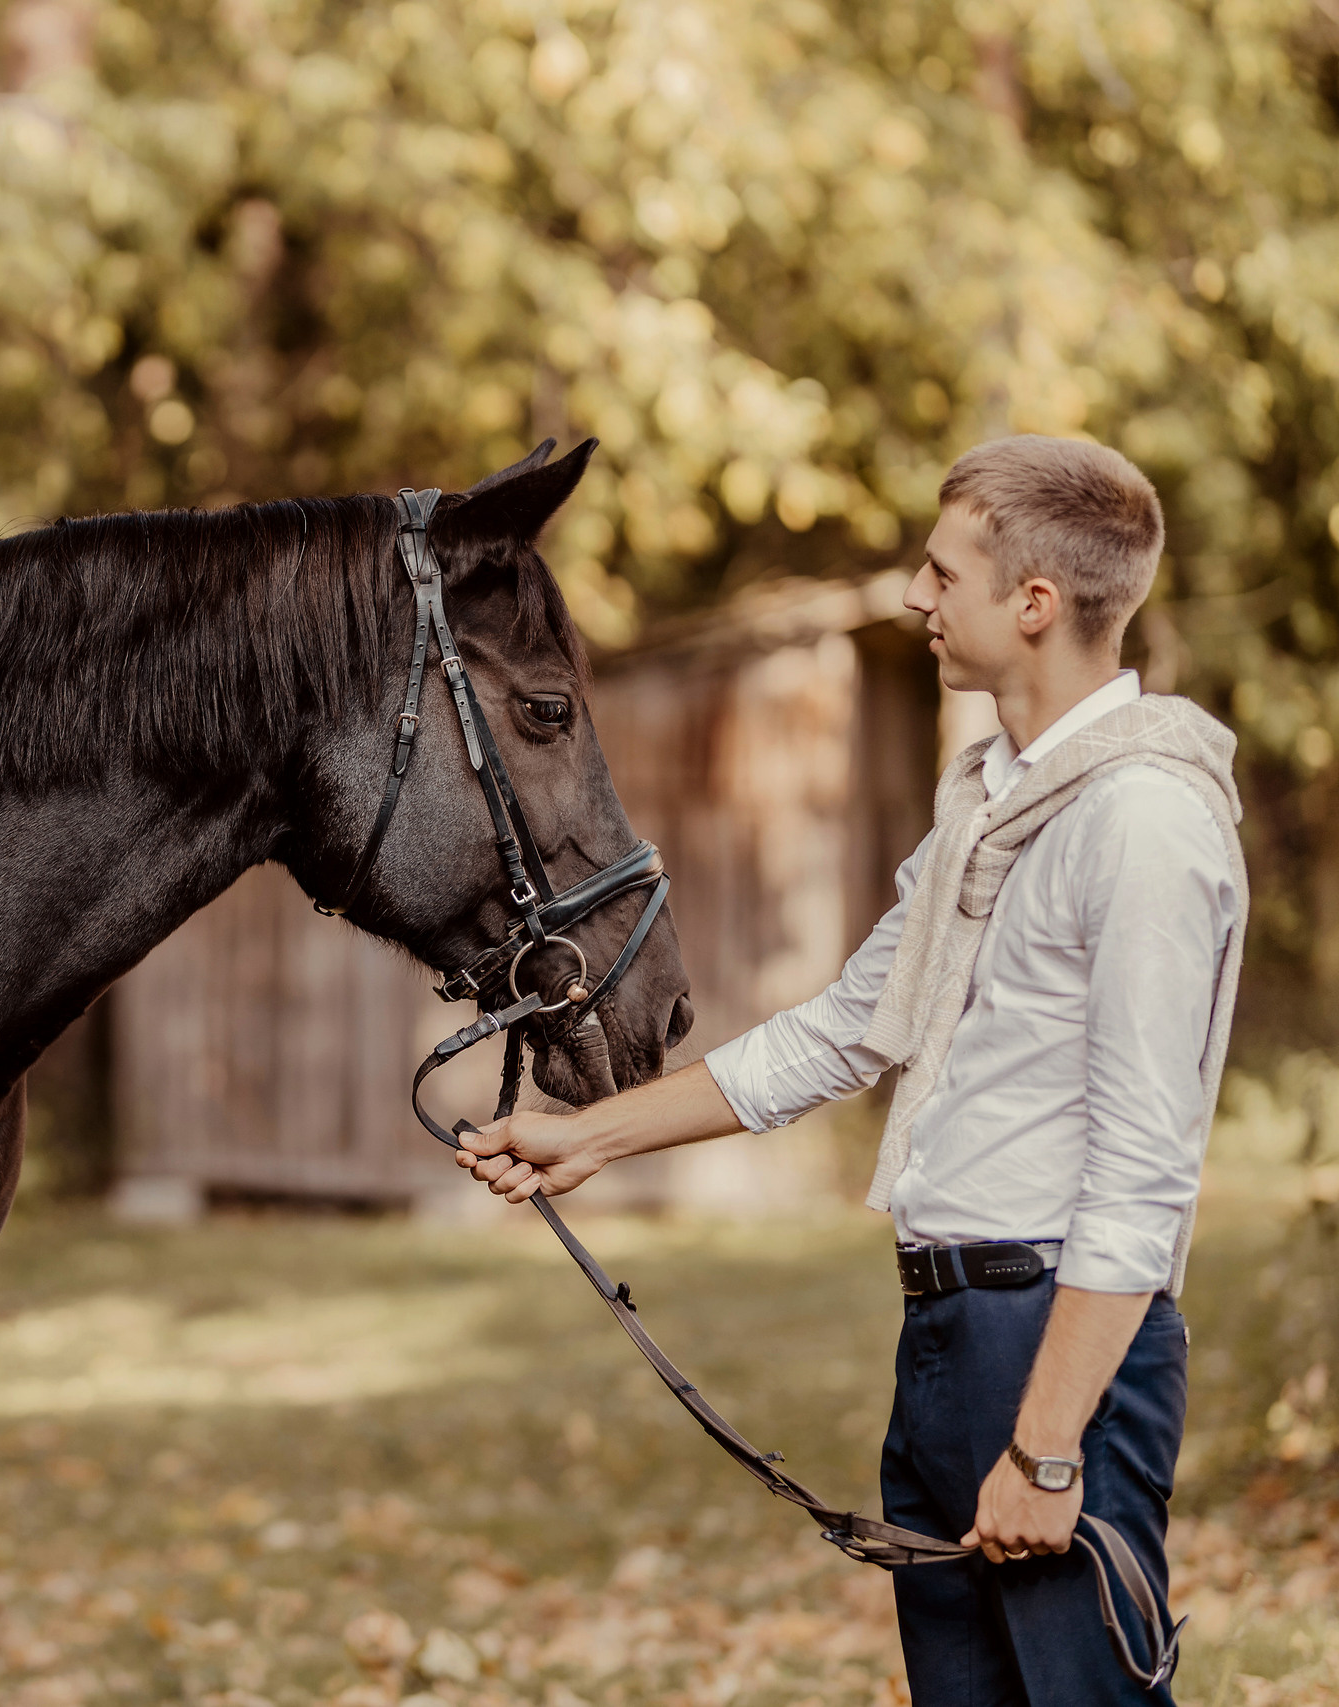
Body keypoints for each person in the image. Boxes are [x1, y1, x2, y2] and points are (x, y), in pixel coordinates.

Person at [456, 436, 1245, 1704]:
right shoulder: (987, 805)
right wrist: (591, 1138)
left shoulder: (1140, 821)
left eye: (942, 574)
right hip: (945, 1331)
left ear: (1033, 604)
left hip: (1054, 1343)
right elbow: (845, 1028)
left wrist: (1045, 1450)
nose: (915, 598)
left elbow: (1143, 1169)